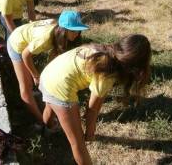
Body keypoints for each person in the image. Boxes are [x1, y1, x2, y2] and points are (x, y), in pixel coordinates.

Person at [39, 34, 151, 165]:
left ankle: (46, 133)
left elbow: (95, 102)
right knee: (78, 143)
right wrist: (90, 132)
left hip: (48, 73)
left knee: (51, 105)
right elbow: (92, 109)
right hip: (58, 86)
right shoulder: (107, 73)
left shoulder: (105, 50)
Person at [7, 10, 89, 125]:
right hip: (16, 44)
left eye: (79, 30)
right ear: (64, 30)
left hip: (29, 40)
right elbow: (26, 55)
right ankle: (40, 120)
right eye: (74, 30)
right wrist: (35, 75)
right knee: (26, 86)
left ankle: (42, 100)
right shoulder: (45, 38)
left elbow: (53, 57)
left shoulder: (59, 34)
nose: (77, 34)